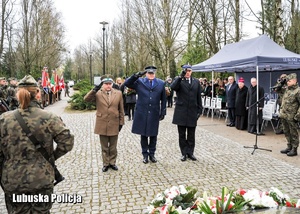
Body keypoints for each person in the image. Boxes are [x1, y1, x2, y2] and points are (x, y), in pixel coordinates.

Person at [0, 75, 74, 214]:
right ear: (38, 94)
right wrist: (51, 157)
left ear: (18, 94)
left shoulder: (4, 120)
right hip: (41, 178)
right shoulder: (49, 117)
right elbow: (67, 141)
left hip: (13, 180)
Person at [124, 66, 166, 164]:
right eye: (149, 73)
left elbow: (163, 99)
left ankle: (152, 154)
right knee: (143, 134)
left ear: (155, 73)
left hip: (154, 112)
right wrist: (135, 76)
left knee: (153, 135)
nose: (151, 75)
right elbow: (127, 84)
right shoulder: (140, 82)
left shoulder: (160, 83)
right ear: (146, 73)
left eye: (152, 73)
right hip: (142, 112)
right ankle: (145, 155)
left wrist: (163, 111)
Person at [84, 75, 125, 171]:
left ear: (112, 84)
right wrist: (94, 89)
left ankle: (112, 162)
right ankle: (106, 163)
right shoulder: (98, 93)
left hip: (114, 122)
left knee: (113, 146)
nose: (108, 86)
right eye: (106, 84)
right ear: (102, 84)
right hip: (102, 123)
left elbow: (121, 109)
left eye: (109, 84)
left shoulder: (118, 93)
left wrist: (121, 122)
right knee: (104, 147)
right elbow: (86, 99)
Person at [170, 64, 202, 161]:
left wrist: (199, 110)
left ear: (191, 71)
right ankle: (183, 153)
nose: (187, 73)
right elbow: (173, 87)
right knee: (182, 134)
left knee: (191, 134)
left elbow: (198, 96)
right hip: (181, 111)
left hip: (192, 111)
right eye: (186, 71)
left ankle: (190, 152)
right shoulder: (179, 80)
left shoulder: (196, 82)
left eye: (189, 71)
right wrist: (180, 76)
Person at [279, 73, 300, 157]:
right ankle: (289, 146)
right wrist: (281, 82)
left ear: (295, 81)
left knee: (293, 133)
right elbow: (277, 89)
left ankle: (294, 149)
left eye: (289, 81)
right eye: (287, 81)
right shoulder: (287, 89)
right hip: (284, 115)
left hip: (292, 116)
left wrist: (297, 116)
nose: (287, 82)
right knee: (287, 132)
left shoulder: (298, 91)